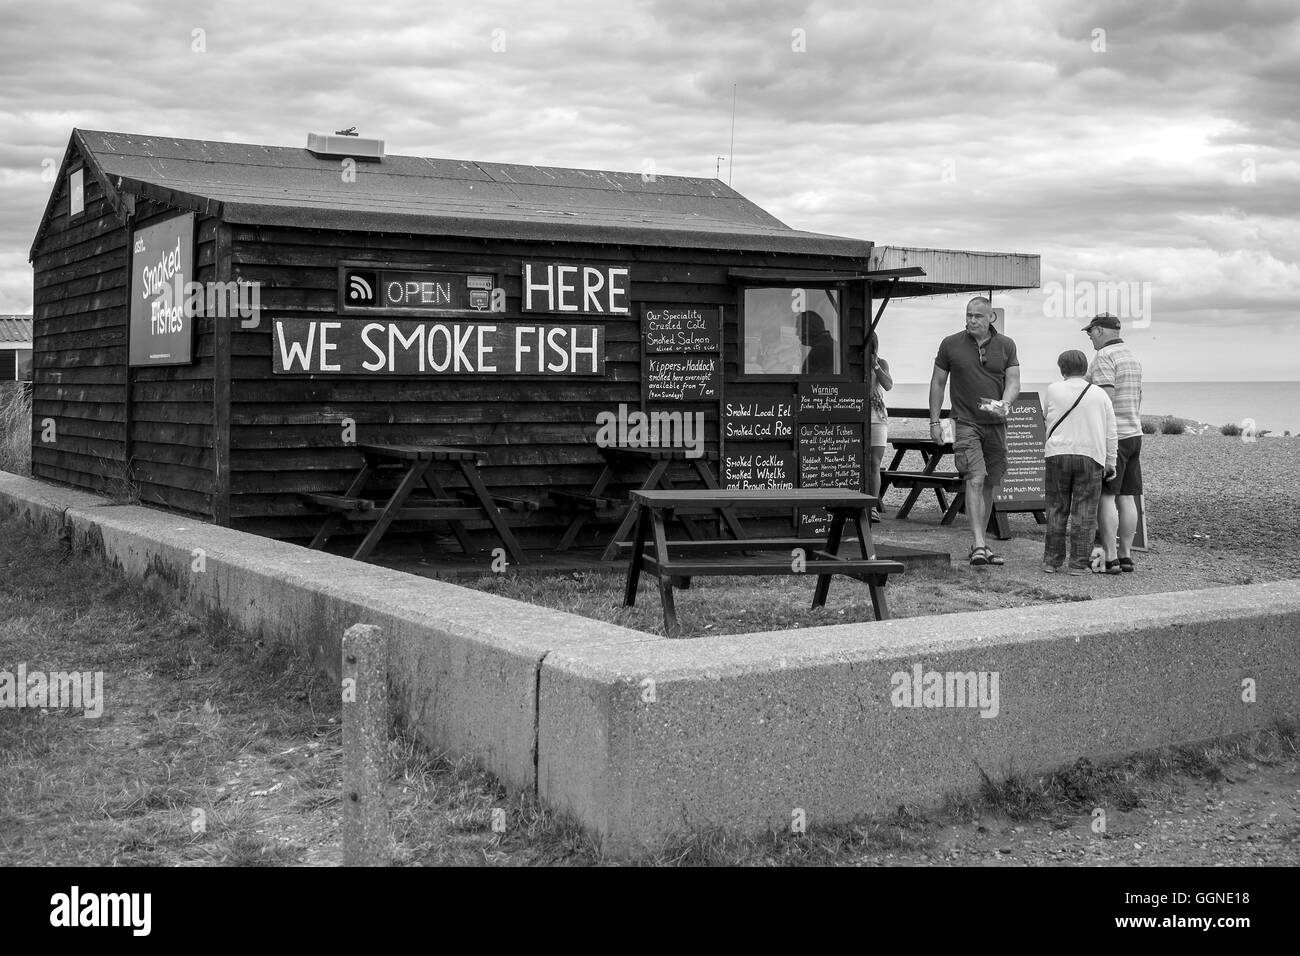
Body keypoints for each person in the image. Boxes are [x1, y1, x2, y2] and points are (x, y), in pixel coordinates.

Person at [929, 296, 1021, 566]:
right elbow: (937, 383)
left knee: (990, 483)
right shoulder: (950, 344)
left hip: (996, 425)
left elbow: (1013, 381)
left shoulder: (1006, 345)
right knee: (975, 478)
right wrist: (935, 422)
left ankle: (980, 543)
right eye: (968, 315)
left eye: (977, 316)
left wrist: (1005, 403)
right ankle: (979, 544)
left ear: (990, 317)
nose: (971, 320)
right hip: (966, 422)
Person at [1043, 349, 1117, 574]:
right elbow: (1110, 430)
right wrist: (1110, 460)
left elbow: (1046, 415)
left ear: (1062, 368)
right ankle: (1077, 564)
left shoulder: (1053, 389)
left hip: (1057, 453)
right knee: (1084, 511)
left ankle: (1052, 562)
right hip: (1090, 455)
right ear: (1085, 369)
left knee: (1057, 508)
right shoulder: (1099, 394)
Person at [1083, 313, 1143, 573]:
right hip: (1134, 432)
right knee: (1128, 496)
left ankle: (1110, 556)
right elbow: (1138, 396)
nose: (1089, 338)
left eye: (1090, 333)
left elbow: (1105, 399)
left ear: (1099, 331)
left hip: (1113, 437)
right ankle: (1126, 554)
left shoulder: (1103, 358)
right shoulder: (1131, 357)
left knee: (1106, 496)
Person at [867, 332, 893, 521]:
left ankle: (872, 506)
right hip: (857, 415)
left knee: (875, 463)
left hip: (877, 418)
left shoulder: (881, 363)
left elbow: (888, 385)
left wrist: (874, 364)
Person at [798, 311, 835, 375]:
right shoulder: (833, 345)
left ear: (810, 328)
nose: (796, 333)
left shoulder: (820, 351)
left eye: (799, 328)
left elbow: (807, 382)